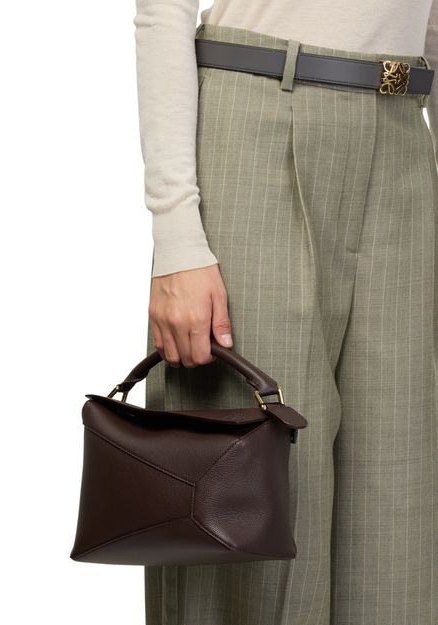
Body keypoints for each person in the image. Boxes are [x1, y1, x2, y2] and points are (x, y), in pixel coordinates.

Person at [133, 1, 438, 624]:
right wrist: (178, 236)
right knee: (253, 503)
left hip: (404, 130)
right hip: (256, 117)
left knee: (398, 515)